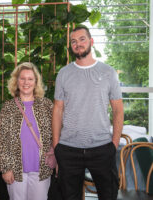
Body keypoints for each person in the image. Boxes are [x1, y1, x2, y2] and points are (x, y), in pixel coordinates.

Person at [52, 26, 124, 200]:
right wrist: (56, 146)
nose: (78, 44)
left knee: (108, 195)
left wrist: (114, 143)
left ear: (91, 41)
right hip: (69, 150)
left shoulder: (108, 72)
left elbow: (118, 109)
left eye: (82, 39)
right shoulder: (63, 73)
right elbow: (57, 110)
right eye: (73, 41)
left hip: (102, 148)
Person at [0, 62, 53, 200]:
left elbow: (57, 133)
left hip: (42, 169)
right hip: (15, 171)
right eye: (22, 78)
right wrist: (5, 168)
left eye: (30, 79)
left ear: (36, 82)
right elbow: (3, 140)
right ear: (16, 81)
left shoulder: (47, 105)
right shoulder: (8, 107)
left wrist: (53, 153)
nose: (26, 82)